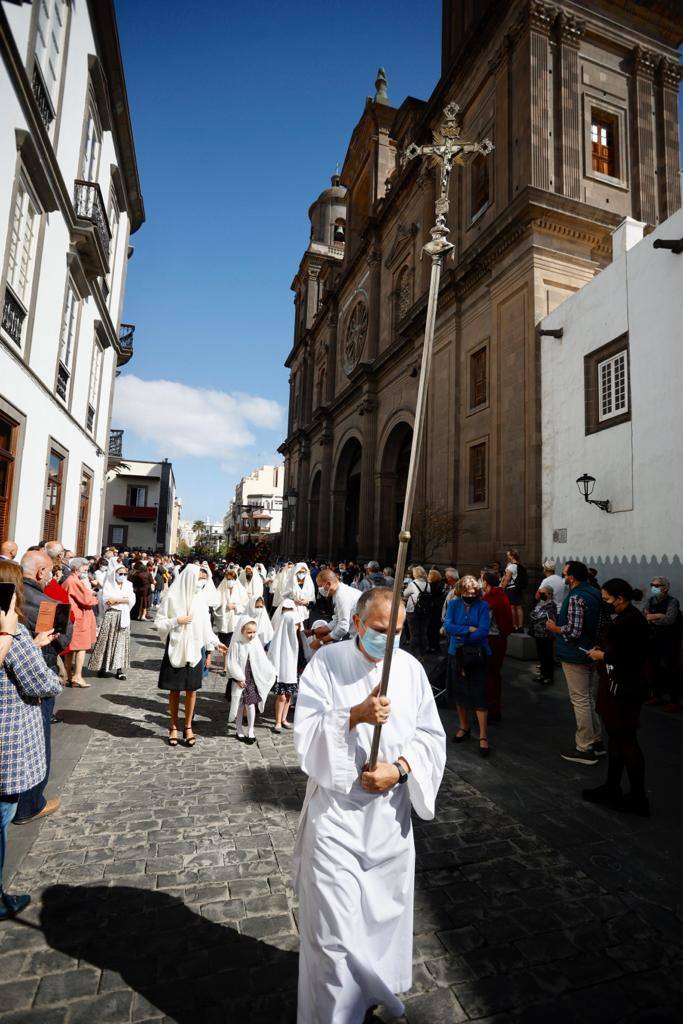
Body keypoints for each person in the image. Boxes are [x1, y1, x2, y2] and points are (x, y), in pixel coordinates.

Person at [293, 587, 446, 1024]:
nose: (389, 640)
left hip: (389, 822)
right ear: (358, 623)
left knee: (379, 925)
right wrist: (354, 715)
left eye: (398, 632)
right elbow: (305, 734)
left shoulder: (410, 670)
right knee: (333, 934)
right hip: (336, 819)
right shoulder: (327, 662)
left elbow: (430, 736)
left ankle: (366, 996)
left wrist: (398, 770)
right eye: (380, 630)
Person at [0, 580, 61, 919]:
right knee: (2, 815)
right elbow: (41, 681)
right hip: (8, 736)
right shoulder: (11, 633)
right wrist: (11, 635)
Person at [14, 551, 72, 825]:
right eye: (49, 571)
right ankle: (31, 803)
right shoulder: (49, 603)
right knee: (38, 740)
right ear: (40, 573)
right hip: (38, 678)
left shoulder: (11, 597)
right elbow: (63, 642)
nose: (51, 576)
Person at [585, 579, 650, 816]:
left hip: (624, 689)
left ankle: (638, 797)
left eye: (607, 599)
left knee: (627, 739)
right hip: (615, 685)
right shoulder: (625, 618)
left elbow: (626, 656)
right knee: (615, 737)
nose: (605, 603)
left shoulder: (631, 621)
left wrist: (602, 655)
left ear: (620, 598)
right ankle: (612, 786)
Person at [155, 564, 227, 747]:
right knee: (174, 689)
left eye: (204, 580)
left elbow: (205, 626)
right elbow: (159, 622)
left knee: (191, 689)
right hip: (176, 647)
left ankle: (187, 727)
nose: (201, 583)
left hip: (194, 649)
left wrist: (216, 642)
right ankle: (173, 726)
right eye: (199, 579)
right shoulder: (172, 597)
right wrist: (176, 621)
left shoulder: (200, 599)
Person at [546, 561, 603, 766]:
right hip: (590, 650)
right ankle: (596, 740)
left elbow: (573, 631)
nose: (564, 577)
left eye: (565, 574)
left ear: (571, 577)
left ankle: (584, 747)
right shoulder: (594, 592)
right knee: (587, 698)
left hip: (576, 653)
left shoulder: (576, 597)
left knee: (580, 700)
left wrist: (555, 628)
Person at [444, 575, 492, 757]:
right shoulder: (454, 604)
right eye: (466, 593)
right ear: (460, 592)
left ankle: (483, 735)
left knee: (479, 694)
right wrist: (467, 629)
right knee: (459, 692)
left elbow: (483, 631)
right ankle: (464, 726)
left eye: (473, 593)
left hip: (477, 655)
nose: (470, 595)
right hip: (456, 655)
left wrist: (461, 637)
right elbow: (448, 626)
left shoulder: (483, 606)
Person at [227, 615, 276, 745]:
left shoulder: (255, 643)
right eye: (249, 632)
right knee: (240, 705)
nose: (252, 635)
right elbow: (232, 663)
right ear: (242, 631)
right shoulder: (236, 645)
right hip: (240, 680)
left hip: (252, 680)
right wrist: (238, 678)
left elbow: (262, 660)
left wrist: (271, 671)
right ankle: (239, 729)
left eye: (254, 632)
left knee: (251, 705)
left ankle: (251, 730)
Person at [89, 565, 135, 680]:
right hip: (111, 614)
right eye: (120, 574)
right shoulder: (109, 584)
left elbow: (131, 599)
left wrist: (117, 599)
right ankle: (102, 667)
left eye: (125, 574)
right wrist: (122, 599)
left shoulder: (128, 584)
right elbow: (107, 600)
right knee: (106, 641)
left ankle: (119, 669)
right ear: (115, 574)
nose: (123, 576)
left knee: (121, 642)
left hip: (124, 615)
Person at [644, 575, 681, 712]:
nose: (653, 588)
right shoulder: (650, 600)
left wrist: (653, 618)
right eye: (652, 585)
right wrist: (659, 616)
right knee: (654, 667)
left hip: (670, 640)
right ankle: (656, 696)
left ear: (665, 588)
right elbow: (645, 616)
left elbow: (670, 620)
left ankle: (674, 701)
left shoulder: (672, 602)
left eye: (657, 586)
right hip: (654, 639)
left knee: (671, 668)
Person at [481, 571, 513, 720]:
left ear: (486, 582)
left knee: (488, 675)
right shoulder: (502, 595)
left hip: (490, 639)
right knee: (494, 674)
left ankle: (489, 709)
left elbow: (484, 623)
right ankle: (494, 707)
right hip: (500, 639)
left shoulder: (490, 598)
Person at [62, 558, 98, 687]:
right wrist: (94, 598)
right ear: (78, 567)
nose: (87, 569)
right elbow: (86, 599)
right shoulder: (74, 581)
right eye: (85, 567)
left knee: (71, 649)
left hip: (74, 617)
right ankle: (77, 675)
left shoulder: (70, 580)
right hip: (79, 618)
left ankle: (69, 675)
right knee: (81, 647)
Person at [269, 600, 300, 733]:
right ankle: (277, 721)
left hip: (291, 673)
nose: (297, 628)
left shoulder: (296, 639)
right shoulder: (280, 639)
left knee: (288, 696)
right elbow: (274, 654)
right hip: (282, 673)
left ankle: (284, 718)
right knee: (281, 697)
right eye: (295, 625)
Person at [310, 569, 360, 648]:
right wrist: (313, 632)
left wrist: (321, 641)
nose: (319, 589)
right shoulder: (337, 593)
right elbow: (336, 620)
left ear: (328, 584)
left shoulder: (341, 595)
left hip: (361, 636)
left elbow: (342, 627)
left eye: (320, 586)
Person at [213, 569, 248, 674]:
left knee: (234, 645)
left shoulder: (241, 590)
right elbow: (215, 604)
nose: (230, 581)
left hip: (235, 622)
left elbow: (245, 605)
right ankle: (225, 666)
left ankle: (232, 666)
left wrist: (235, 607)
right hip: (224, 623)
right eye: (228, 579)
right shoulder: (221, 589)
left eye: (232, 579)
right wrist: (224, 606)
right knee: (225, 645)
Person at [528, 584, 558, 686]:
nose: (540, 594)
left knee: (547, 656)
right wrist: (535, 615)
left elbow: (539, 616)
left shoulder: (551, 605)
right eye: (540, 592)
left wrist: (536, 615)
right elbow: (532, 614)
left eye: (543, 593)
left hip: (547, 634)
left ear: (549, 594)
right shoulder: (539, 603)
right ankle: (542, 674)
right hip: (538, 633)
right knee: (541, 656)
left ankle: (549, 676)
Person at [402, 565, 430, 657]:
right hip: (425, 611)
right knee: (423, 633)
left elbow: (405, 594)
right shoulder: (428, 584)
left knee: (414, 634)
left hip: (413, 610)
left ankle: (414, 655)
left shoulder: (413, 584)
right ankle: (422, 654)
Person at [500, 549, 526, 632]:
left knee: (512, 608)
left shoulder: (511, 567)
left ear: (512, 556)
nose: (507, 557)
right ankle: (520, 627)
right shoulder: (520, 565)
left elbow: (507, 579)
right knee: (519, 607)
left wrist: (502, 588)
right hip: (518, 588)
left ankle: (514, 626)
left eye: (508, 555)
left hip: (511, 589)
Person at [426, 569, 444, 653]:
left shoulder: (430, 586)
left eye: (429, 575)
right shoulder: (441, 584)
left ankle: (432, 647)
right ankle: (436, 646)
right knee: (436, 629)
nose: (428, 576)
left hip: (432, 608)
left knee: (431, 629)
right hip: (439, 608)